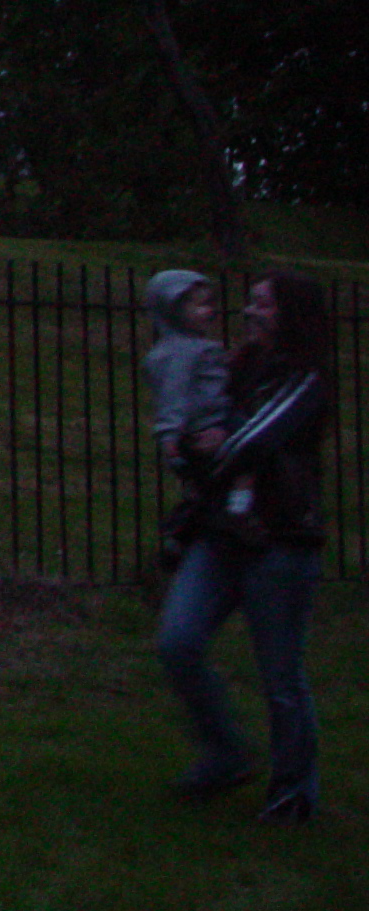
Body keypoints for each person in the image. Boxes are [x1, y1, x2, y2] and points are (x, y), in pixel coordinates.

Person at [154, 270, 334, 823]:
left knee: (280, 677)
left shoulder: (307, 379)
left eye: (261, 304)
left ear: (289, 315)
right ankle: (226, 753)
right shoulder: (233, 365)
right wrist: (187, 444)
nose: (248, 312)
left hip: (280, 540)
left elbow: (256, 440)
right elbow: (193, 430)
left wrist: (214, 448)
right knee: (177, 642)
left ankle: (293, 792)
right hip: (221, 535)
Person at [142, 269, 245, 567]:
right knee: (245, 457)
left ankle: (185, 533)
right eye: (197, 305)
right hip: (208, 425)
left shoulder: (191, 349)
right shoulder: (181, 353)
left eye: (209, 304)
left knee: (205, 489)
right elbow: (172, 397)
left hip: (213, 421)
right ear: (172, 310)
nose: (208, 311)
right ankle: (233, 512)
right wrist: (169, 435)